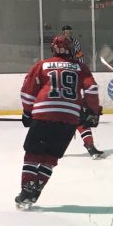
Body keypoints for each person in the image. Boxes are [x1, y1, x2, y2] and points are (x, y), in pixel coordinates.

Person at [16, 35, 102, 209]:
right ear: (70, 49)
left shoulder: (42, 65)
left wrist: (27, 111)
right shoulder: (80, 67)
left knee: (33, 154)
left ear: (53, 49)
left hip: (43, 115)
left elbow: (27, 92)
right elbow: (92, 89)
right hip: (69, 118)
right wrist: (93, 112)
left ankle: (26, 190)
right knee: (50, 158)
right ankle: (37, 189)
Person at [62, 24, 104, 159]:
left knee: (72, 123)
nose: (67, 33)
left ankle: (89, 146)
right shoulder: (61, 43)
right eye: (66, 31)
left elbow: (80, 57)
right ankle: (89, 146)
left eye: (69, 31)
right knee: (78, 121)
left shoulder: (74, 43)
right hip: (70, 95)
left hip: (65, 95)